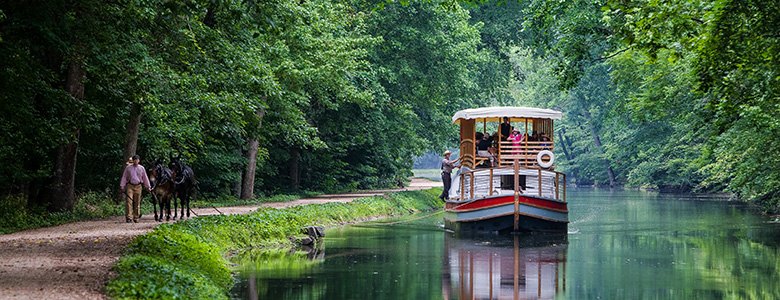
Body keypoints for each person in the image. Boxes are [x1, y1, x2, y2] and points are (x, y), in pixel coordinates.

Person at [119, 154, 152, 223]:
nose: (135, 161)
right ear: (133, 160)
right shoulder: (128, 168)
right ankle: (128, 217)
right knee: (129, 201)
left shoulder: (141, 168)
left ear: (139, 161)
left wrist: (148, 186)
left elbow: (145, 178)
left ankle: (136, 217)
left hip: (138, 186)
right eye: (134, 159)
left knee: (137, 202)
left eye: (137, 159)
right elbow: (124, 177)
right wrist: (122, 185)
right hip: (130, 186)